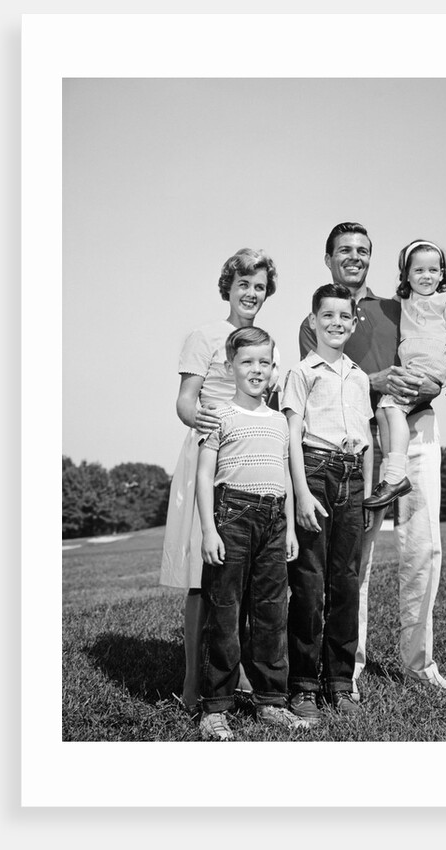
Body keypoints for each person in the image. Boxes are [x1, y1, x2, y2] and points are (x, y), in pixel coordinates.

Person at [299, 222, 446, 696]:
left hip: (419, 428)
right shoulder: (318, 317)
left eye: (363, 250)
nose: (355, 257)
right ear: (328, 258)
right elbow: (325, 379)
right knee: (359, 554)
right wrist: (380, 380)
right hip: (359, 439)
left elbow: (440, 345)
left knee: (424, 546)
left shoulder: (399, 304)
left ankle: (420, 664)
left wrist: (437, 380)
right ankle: (348, 666)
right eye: (344, 250)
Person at [159, 248, 279, 715]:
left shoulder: (262, 344)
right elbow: (185, 402)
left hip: (251, 463)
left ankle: (243, 678)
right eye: (244, 284)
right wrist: (204, 421)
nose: (252, 293)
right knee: (202, 580)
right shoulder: (204, 336)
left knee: (245, 580)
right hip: (209, 458)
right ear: (228, 286)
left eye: (260, 286)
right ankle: (192, 687)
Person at [196, 326, 309, 741]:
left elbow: (283, 474)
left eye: (264, 362)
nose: (256, 369)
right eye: (247, 362)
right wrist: (210, 530)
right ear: (230, 367)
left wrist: (291, 529)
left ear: (273, 366)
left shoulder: (280, 421)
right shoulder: (219, 415)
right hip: (232, 516)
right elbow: (204, 475)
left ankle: (271, 701)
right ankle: (215, 708)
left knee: (271, 614)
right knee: (225, 612)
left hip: (275, 520)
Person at [283, 283, 374, 721]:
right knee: (309, 583)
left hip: (352, 479)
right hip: (315, 475)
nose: (337, 323)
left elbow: (368, 439)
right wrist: (301, 492)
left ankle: (339, 682)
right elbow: (293, 439)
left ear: (353, 323)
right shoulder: (302, 373)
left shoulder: (358, 377)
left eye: (344, 316)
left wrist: (370, 496)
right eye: (328, 316)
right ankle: (302, 684)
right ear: (313, 321)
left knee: (346, 583)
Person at [363, 239, 446, 510]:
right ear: (406, 274)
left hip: (429, 363)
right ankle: (392, 471)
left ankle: (395, 476)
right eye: (418, 270)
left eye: (433, 270)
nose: (426, 276)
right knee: (384, 408)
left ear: (442, 273)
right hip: (412, 364)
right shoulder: (404, 301)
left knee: (391, 406)